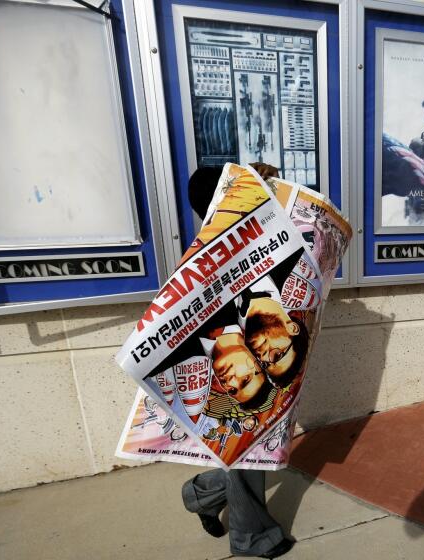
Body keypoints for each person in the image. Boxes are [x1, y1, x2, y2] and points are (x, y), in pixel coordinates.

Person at [181, 162, 295, 560]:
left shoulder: (260, 238)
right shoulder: (210, 254)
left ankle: (201, 494)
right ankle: (252, 536)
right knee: (249, 447)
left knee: (254, 447)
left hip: (266, 368)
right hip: (232, 372)